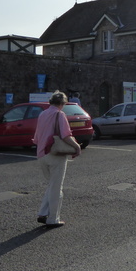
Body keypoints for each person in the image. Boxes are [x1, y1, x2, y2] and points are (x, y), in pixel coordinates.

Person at [33, 91, 81, 228]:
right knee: (56, 187)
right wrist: (77, 147)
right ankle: (53, 218)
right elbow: (66, 135)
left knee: (51, 185)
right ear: (62, 103)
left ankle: (43, 213)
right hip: (55, 155)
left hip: (41, 154)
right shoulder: (59, 114)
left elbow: (36, 138)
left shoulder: (42, 114)